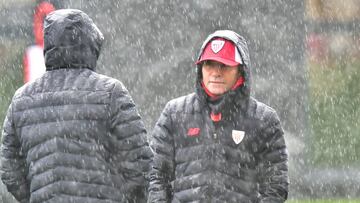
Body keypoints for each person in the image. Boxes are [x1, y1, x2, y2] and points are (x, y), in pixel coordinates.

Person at [0, 9, 151, 203]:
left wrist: (38, 195)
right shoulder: (111, 92)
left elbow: (10, 169)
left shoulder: (22, 98)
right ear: (90, 43)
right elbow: (140, 162)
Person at [148, 30, 289, 202]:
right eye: (209, 64)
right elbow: (155, 176)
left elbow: (276, 186)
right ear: (200, 69)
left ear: (241, 71)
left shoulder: (264, 119)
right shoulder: (174, 113)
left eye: (225, 65)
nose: (216, 72)